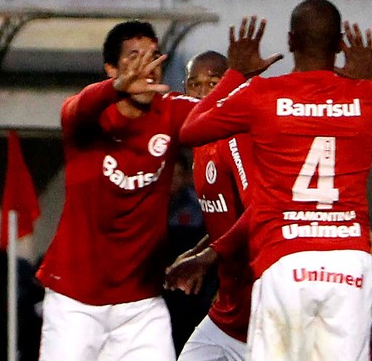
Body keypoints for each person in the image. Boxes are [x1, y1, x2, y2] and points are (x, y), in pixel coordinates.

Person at [177, 0, 372, 361]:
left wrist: (236, 74)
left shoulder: (262, 95)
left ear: (289, 41)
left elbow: (190, 129)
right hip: (347, 260)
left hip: (286, 255)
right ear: (339, 45)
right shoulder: (365, 95)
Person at [34, 18, 279, 361]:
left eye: (154, 56)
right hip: (76, 301)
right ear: (110, 68)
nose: (147, 67)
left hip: (140, 304)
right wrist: (116, 88)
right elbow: (79, 106)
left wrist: (237, 78)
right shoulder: (87, 118)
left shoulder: (172, 110)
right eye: (135, 57)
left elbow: (217, 113)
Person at [167, 50, 257, 361]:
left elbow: (258, 210)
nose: (203, 93)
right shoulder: (199, 144)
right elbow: (226, 219)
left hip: (263, 306)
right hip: (228, 312)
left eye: (214, 83)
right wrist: (195, 254)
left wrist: (205, 258)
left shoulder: (236, 138)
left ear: (230, 86)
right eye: (195, 85)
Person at [163, 150, 218, 356]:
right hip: (157, 287)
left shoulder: (199, 208)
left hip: (193, 291)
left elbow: (215, 241)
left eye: (177, 175)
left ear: (186, 176)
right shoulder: (149, 207)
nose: (172, 182)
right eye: (168, 175)